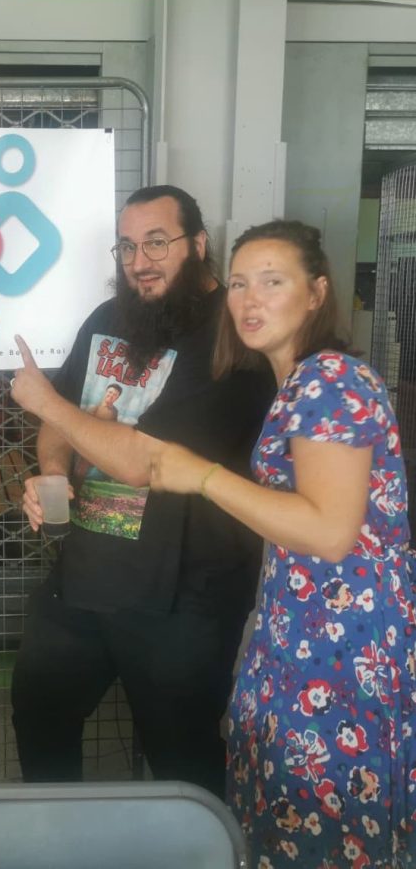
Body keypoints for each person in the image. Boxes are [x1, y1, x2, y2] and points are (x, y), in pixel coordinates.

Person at [149, 220, 416, 866]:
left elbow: (327, 531)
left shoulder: (328, 381)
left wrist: (203, 476)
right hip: (313, 636)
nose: (248, 299)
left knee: (320, 829)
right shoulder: (301, 383)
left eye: (272, 281)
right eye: (238, 283)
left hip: (336, 651)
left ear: (316, 292)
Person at [9, 184, 274, 797]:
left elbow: (142, 465)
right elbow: (62, 422)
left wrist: (45, 399)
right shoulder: (109, 319)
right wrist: (52, 474)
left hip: (186, 594)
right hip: (86, 575)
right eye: (127, 246)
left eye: (157, 242)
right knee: (40, 714)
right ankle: (57, 842)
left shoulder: (233, 340)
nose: (139, 261)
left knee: (181, 756)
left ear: (198, 244)